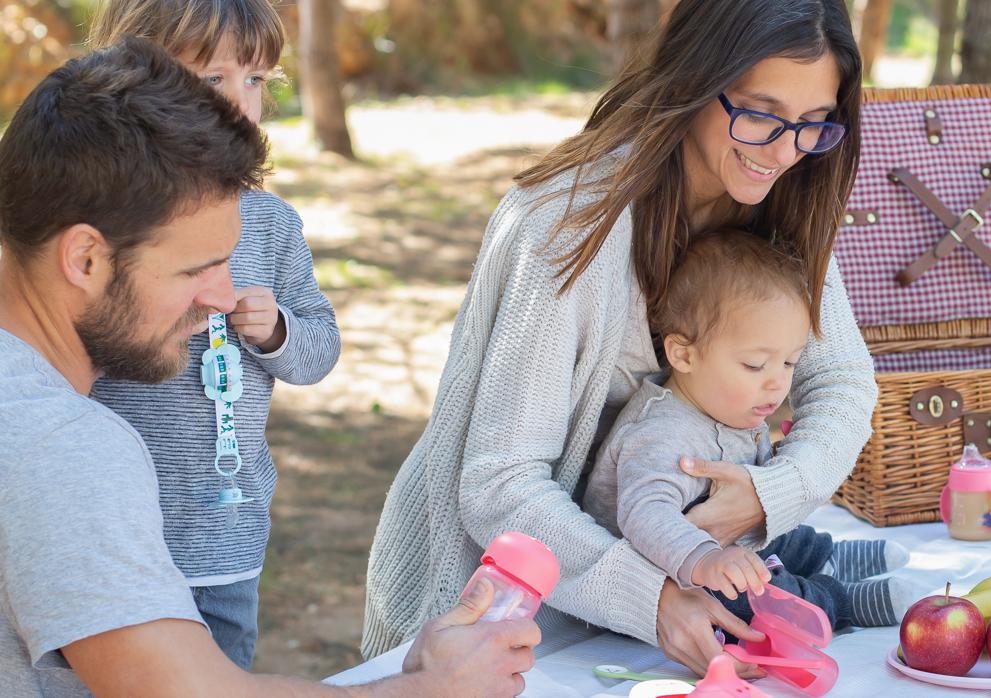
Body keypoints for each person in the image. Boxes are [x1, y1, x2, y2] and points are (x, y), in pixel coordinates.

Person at [0, 38, 536, 697]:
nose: (224, 298)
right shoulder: (63, 445)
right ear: (85, 259)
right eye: (197, 269)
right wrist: (429, 690)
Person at [365, 0, 878, 677]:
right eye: (759, 113)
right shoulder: (563, 227)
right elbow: (501, 482)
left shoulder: (789, 201)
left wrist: (771, 493)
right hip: (493, 619)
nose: (785, 151)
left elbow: (842, 382)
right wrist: (655, 597)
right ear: (694, 79)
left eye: (813, 124)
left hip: (654, 619)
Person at [87, 0, 340, 669]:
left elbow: (320, 349)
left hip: (229, 535)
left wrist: (278, 330)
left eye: (255, 79)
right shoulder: (104, 219)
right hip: (118, 540)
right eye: (214, 78)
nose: (239, 102)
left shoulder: (271, 224)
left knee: (223, 679)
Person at [583, 229, 915, 631]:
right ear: (683, 354)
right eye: (756, 365)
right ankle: (838, 603)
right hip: (673, 571)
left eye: (789, 363)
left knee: (774, 525)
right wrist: (705, 558)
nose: (777, 383)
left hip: (728, 541)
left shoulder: (726, 402)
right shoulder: (662, 435)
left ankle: (822, 555)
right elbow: (644, 514)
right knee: (755, 592)